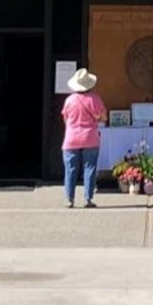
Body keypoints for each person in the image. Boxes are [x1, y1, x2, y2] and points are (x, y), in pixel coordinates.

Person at [60, 67, 107, 208]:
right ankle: (88, 198)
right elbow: (103, 117)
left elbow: (65, 119)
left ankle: (69, 199)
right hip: (90, 137)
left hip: (71, 138)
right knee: (90, 167)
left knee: (70, 169)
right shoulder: (95, 99)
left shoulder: (69, 100)